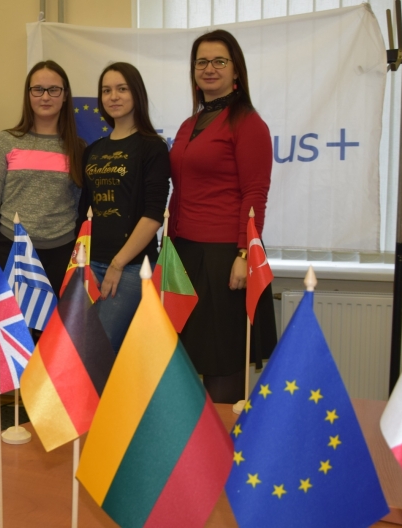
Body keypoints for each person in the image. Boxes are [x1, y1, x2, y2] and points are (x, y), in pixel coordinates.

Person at [168, 30, 277, 404]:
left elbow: (255, 195)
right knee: (186, 363)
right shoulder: (190, 124)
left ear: (236, 71)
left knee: (223, 366)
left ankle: (228, 443)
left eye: (219, 61)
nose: (209, 68)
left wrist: (245, 254)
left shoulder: (248, 123)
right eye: (201, 62)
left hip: (226, 258)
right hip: (185, 255)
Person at [79, 62, 170, 353]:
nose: (113, 96)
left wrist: (117, 264)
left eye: (122, 89)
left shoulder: (152, 147)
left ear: (136, 94)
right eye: (106, 91)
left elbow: (154, 214)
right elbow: (84, 212)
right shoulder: (93, 150)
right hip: (90, 264)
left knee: (98, 350)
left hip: (131, 266)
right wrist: (82, 263)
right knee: (84, 350)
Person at [0, 60, 85, 293]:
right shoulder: (5, 141)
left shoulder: (78, 148)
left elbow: (79, 206)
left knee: (55, 318)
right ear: (28, 94)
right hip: (11, 250)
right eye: (38, 89)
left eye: (53, 89)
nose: (45, 97)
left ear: (65, 95)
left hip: (61, 254)